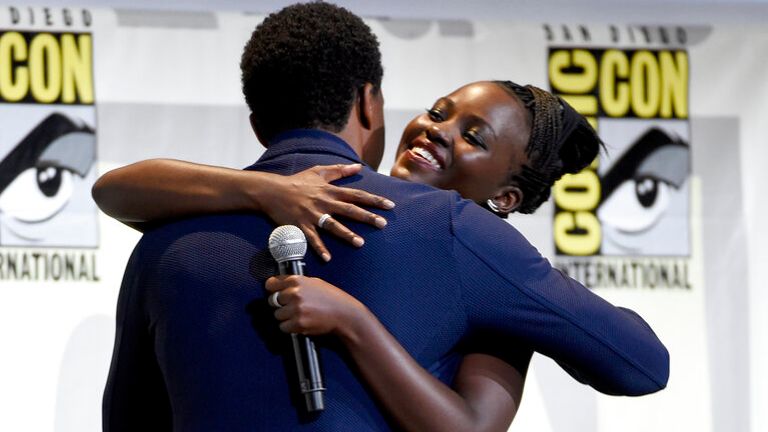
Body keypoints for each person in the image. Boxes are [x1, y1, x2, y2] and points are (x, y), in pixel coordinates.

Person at [101, 3, 668, 431]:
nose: (437, 130)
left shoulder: (164, 236)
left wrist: (355, 321)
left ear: (508, 198)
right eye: (439, 112)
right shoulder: (461, 239)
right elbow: (640, 366)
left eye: (473, 136)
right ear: (371, 103)